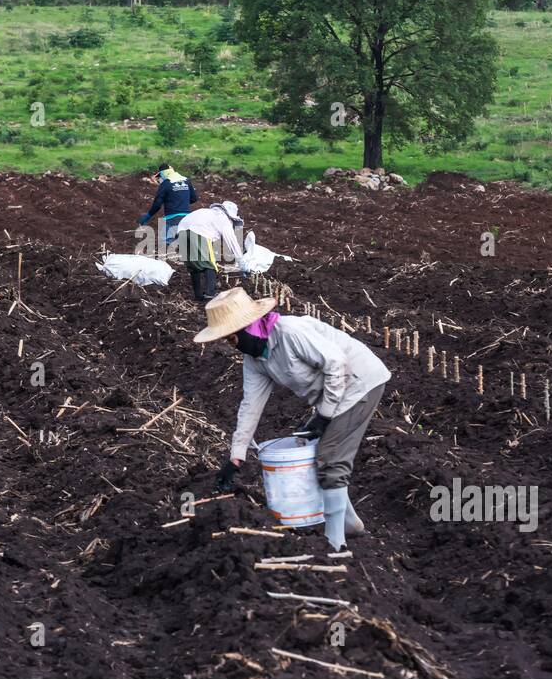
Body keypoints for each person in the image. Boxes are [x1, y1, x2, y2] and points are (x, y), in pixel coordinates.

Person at [195, 288, 390, 551]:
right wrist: (236, 456)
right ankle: (350, 523)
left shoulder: (288, 333)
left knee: (330, 456)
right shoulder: (254, 359)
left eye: (231, 339)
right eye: (227, 341)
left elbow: (337, 364)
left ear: (246, 327)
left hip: (359, 382)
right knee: (314, 450)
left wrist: (324, 415)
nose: (232, 345)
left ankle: (335, 544)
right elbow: (250, 404)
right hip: (333, 394)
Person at [176, 200, 247, 302]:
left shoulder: (206, 212)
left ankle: (198, 296)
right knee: (210, 266)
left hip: (181, 231)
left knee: (194, 266)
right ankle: (210, 295)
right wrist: (241, 261)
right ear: (230, 216)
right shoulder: (223, 219)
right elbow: (232, 241)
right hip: (199, 233)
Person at [138, 164, 198, 249]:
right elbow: (194, 199)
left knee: (165, 246)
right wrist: (181, 200)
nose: (160, 178)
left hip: (171, 218)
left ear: (163, 173)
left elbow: (157, 204)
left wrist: (148, 215)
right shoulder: (187, 181)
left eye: (160, 176)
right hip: (187, 218)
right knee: (184, 246)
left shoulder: (166, 184)